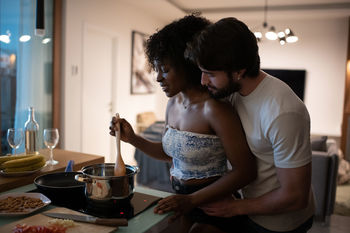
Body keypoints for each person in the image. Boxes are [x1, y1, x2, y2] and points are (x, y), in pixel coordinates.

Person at [110, 14, 256, 233]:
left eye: (166, 69)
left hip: (215, 207)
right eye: (156, 69)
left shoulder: (216, 109)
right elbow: (170, 153)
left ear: (188, 65)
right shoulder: (173, 104)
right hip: (183, 203)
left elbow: (246, 171)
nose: (158, 78)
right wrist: (132, 139)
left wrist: (192, 200)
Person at [183, 17, 315, 233]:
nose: (203, 81)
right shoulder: (233, 92)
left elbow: (295, 197)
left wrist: (235, 207)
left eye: (210, 74)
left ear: (239, 71)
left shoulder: (283, 111)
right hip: (250, 206)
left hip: (280, 223)